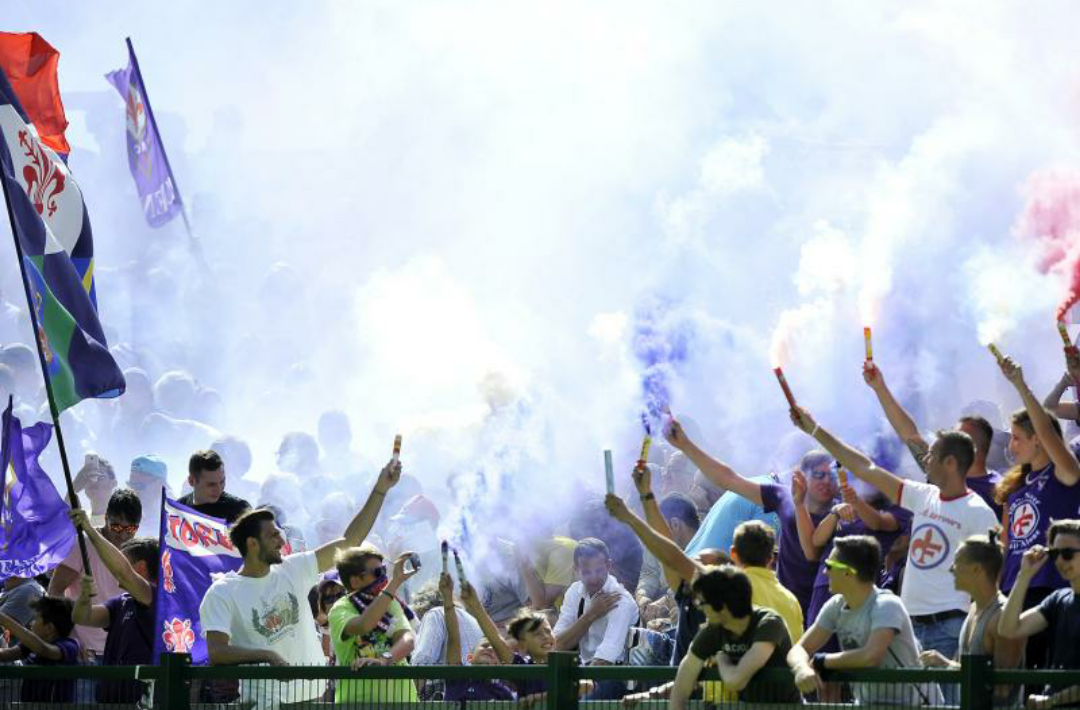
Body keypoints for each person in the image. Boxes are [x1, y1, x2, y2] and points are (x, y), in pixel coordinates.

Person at [789, 405, 997, 678]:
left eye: (932, 455)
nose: (926, 460)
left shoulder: (979, 512)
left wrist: (970, 637)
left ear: (950, 463)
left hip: (951, 626)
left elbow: (992, 584)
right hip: (908, 626)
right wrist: (815, 430)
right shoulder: (923, 495)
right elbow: (865, 467)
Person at [198, 459, 402, 707]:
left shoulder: (293, 568)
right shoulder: (222, 592)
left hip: (314, 697)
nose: (280, 539)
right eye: (272, 535)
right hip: (266, 703)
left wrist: (380, 489)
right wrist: (266, 656)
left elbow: (351, 540)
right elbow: (217, 652)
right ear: (252, 543)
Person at [665, 419, 836, 618]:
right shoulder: (779, 497)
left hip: (805, 609)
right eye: (814, 472)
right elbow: (729, 478)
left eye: (827, 474)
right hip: (719, 593)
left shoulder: (836, 509)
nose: (822, 480)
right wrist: (685, 445)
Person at [993, 354, 1080, 668]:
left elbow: (1047, 428)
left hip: (1050, 588)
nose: (1011, 446)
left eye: (1017, 438)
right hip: (1014, 590)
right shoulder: (1014, 488)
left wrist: (1020, 385)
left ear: (1039, 441)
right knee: (1015, 681)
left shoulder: (1064, 474)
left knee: (1049, 673)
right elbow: (1005, 544)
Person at [788, 535, 928, 706]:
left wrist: (823, 661)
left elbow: (871, 656)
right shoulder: (835, 606)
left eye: (829, 566)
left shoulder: (886, 605)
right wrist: (801, 668)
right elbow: (799, 648)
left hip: (916, 705)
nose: (825, 572)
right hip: (867, 704)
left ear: (848, 572)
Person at [863, 361, 1003, 519]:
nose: (947, 439)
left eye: (955, 436)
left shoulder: (998, 490)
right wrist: (880, 388)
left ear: (973, 448)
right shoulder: (941, 470)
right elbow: (910, 435)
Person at [671, 565, 800, 707]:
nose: (699, 608)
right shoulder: (715, 629)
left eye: (702, 602)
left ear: (722, 605)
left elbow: (736, 681)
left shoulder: (769, 623)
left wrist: (722, 659)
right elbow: (684, 677)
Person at [920, 531, 1024, 707]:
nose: (951, 568)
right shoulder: (974, 608)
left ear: (977, 569)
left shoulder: (1001, 615)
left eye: (957, 562)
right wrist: (945, 663)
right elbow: (972, 673)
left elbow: (1002, 687)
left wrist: (946, 664)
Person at [69, 507, 158, 704]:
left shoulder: (156, 597)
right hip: (109, 699)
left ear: (141, 567)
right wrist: (84, 596)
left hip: (139, 703)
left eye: (125, 560)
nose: (113, 567)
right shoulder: (122, 602)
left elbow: (123, 572)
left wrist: (90, 531)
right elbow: (82, 617)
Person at [48, 488, 142, 667]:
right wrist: (69, 638)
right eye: (116, 526)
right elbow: (54, 591)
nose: (122, 535)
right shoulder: (81, 544)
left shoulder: (137, 552)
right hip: (84, 653)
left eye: (130, 529)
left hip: (118, 653)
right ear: (106, 517)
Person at [803, 475, 909, 627]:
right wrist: (835, 513)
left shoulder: (897, 508)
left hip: (860, 588)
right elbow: (817, 540)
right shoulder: (844, 503)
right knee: (818, 645)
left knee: (852, 645)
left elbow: (877, 523)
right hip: (827, 584)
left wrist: (855, 502)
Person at [999, 519, 1080, 709]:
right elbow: (1008, 629)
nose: (1059, 561)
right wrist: (1024, 575)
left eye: (1067, 553)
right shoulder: (1058, 600)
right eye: (1054, 554)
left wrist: (1053, 700)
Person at [328, 544, 419, 704]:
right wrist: (393, 583)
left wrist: (385, 660)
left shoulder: (389, 602)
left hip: (403, 703)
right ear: (355, 581)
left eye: (384, 570)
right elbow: (364, 625)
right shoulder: (340, 609)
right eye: (378, 572)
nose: (384, 577)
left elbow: (408, 640)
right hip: (356, 704)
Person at [553, 538, 638, 699]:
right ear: (575, 570)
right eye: (586, 572)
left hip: (616, 678)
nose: (593, 578)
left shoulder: (621, 600)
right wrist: (591, 615)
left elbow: (604, 661)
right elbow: (557, 645)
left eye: (599, 571)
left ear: (608, 566)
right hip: (584, 672)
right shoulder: (573, 592)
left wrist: (579, 685)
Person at [440, 572, 516, 702]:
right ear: (469, 657)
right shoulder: (457, 680)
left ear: (501, 663)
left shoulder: (503, 693)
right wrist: (448, 598)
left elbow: (497, 639)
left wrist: (475, 604)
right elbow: (453, 638)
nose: (490, 649)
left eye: (494, 649)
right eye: (484, 646)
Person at [0, 596, 80, 703]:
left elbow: (43, 649)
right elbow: (6, 654)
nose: (31, 623)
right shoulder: (30, 645)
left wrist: (3, 619)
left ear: (49, 628)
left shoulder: (69, 646)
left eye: (35, 619)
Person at [635, 492, 699, 610]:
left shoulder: (703, 548)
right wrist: (642, 595)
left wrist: (661, 604)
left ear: (675, 524)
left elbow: (687, 584)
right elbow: (649, 572)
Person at [411, 573, 485, 666]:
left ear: (421, 607)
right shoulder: (473, 620)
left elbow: (422, 660)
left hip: (444, 680)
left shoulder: (435, 614)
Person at [179, 449, 250, 523]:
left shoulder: (239, 510)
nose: (219, 489)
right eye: (211, 484)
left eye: (222, 481)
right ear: (191, 481)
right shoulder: (177, 509)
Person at [126, 454, 171, 536]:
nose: (134, 492)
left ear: (160, 484)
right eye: (132, 486)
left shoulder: (174, 516)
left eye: (140, 487)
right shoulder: (127, 510)